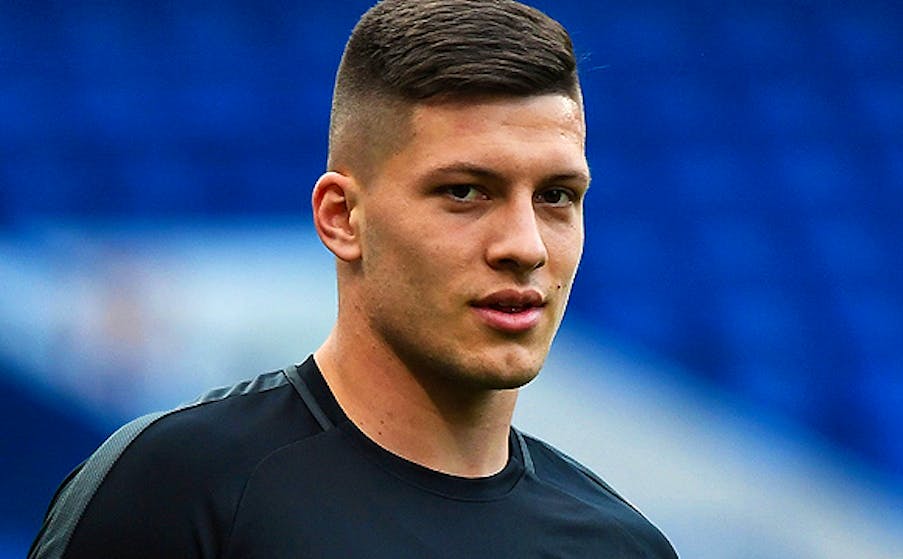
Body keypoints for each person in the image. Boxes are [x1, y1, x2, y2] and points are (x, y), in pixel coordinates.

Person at [29, 1, 678, 557]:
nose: (525, 246)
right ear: (342, 218)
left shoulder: (619, 545)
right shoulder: (176, 489)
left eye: (557, 196)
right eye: (464, 191)